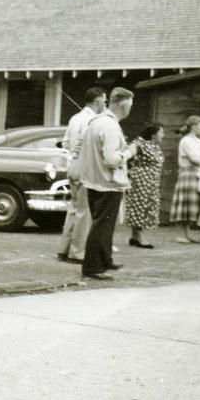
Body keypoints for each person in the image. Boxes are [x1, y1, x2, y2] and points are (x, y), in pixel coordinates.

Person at [77, 87, 137, 280]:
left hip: (93, 180)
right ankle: (93, 267)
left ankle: (104, 260)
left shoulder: (95, 122)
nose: (130, 109)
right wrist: (129, 152)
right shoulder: (110, 126)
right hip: (107, 182)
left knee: (104, 224)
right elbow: (111, 159)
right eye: (130, 105)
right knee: (102, 225)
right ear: (121, 104)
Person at [57, 87, 107, 264]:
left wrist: (73, 154)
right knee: (84, 212)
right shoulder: (94, 120)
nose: (105, 104)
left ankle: (64, 249)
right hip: (86, 167)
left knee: (74, 209)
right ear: (97, 101)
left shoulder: (75, 118)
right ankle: (77, 252)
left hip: (73, 166)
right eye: (104, 101)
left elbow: (65, 142)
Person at [169, 114, 200, 244]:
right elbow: (195, 159)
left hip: (197, 174)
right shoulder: (185, 140)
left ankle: (187, 233)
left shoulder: (199, 141)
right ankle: (181, 234)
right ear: (193, 127)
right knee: (184, 204)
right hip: (187, 173)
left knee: (192, 205)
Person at [124, 124, 164, 249]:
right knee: (139, 205)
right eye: (161, 133)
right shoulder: (140, 142)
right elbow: (129, 152)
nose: (163, 135)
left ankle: (134, 236)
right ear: (153, 135)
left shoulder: (154, 146)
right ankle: (139, 236)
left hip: (152, 180)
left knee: (147, 205)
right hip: (141, 179)